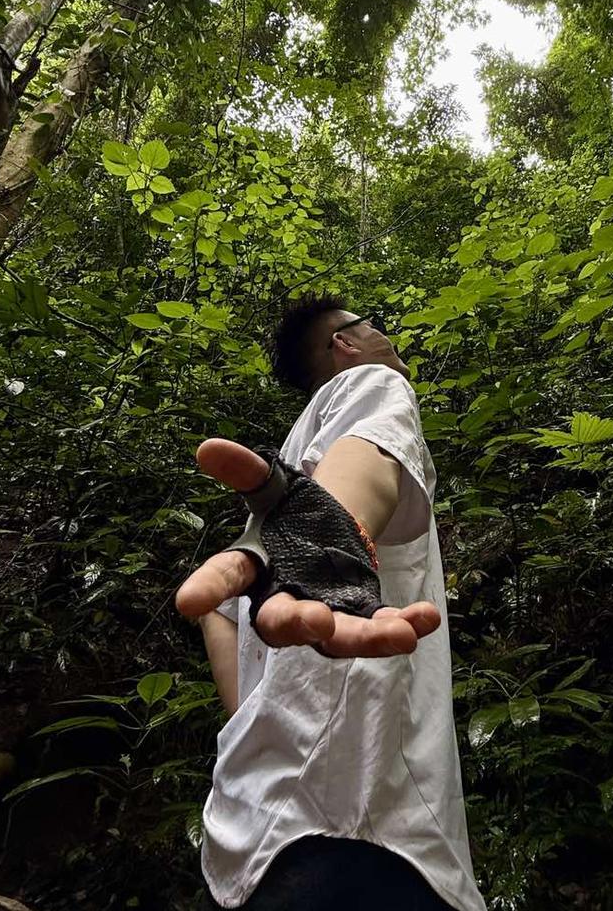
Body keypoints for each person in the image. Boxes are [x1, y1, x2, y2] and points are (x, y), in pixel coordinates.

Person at [175, 295, 487, 911]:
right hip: (365, 820)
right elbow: (365, 459)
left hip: (247, 824)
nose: (384, 338)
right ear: (345, 343)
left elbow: (221, 612)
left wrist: (257, 724)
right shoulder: (371, 382)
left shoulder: (284, 481)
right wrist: (326, 558)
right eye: (373, 324)